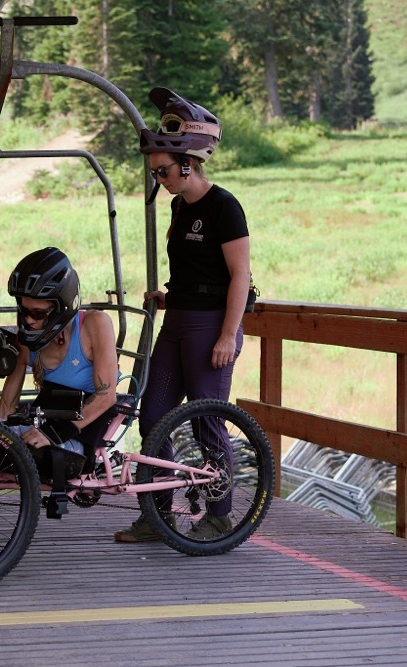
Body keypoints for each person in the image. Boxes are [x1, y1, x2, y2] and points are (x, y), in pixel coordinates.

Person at [114, 87, 252, 543]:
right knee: (152, 414)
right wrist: (168, 296)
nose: (160, 178)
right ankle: (158, 514)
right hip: (177, 323)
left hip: (211, 326)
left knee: (205, 419)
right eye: (156, 171)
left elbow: (238, 277)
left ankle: (219, 514)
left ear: (189, 163)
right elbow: (194, 270)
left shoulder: (224, 208)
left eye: (164, 170)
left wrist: (227, 336)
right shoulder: (177, 205)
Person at [0, 248, 120, 460]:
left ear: (61, 307)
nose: (29, 321)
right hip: (43, 423)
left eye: (38, 313)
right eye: (24, 311)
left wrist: (52, 434)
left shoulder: (95, 323)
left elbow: (107, 396)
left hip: (77, 435)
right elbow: (6, 405)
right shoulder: (29, 337)